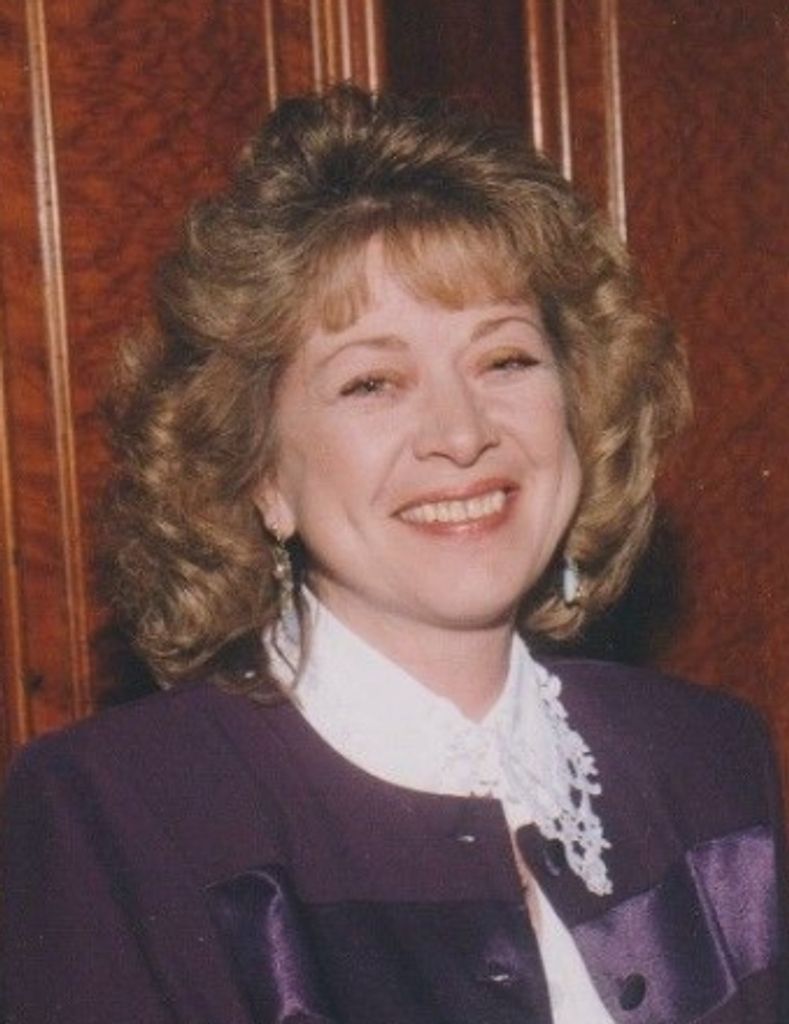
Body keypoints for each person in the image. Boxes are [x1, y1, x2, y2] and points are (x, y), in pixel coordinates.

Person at [2, 85, 786, 1024]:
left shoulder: (711, 760)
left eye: (504, 361)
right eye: (372, 382)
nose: (461, 433)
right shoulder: (112, 813)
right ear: (260, 472)